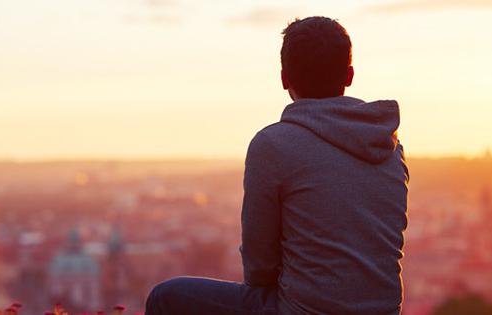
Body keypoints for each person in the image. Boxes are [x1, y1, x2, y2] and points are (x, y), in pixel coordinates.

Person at [145, 16, 409, 315]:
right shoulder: (389, 145)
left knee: (166, 297)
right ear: (349, 75)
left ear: (284, 79)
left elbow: (258, 269)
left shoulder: (274, 145)